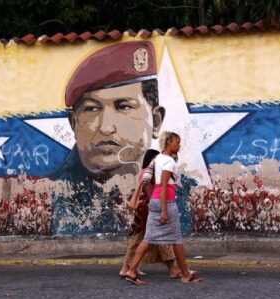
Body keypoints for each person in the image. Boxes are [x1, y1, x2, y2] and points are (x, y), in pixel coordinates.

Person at [49, 41, 166, 235]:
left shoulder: (181, 190)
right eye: (92, 109)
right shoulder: (52, 194)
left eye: (124, 106)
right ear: (73, 123)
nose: (106, 127)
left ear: (156, 121)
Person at [124, 131, 202, 285]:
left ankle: (131, 271)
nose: (179, 145)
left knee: (147, 239)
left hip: (154, 202)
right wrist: (165, 210)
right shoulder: (168, 162)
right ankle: (185, 275)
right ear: (169, 143)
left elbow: (147, 178)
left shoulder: (157, 159)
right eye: (177, 142)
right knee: (177, 239)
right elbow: (164, 185)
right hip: (165, 202)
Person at [119, 149, 182, 279]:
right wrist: (162, 208)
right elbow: (151, 194)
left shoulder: (148, 172)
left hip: (146, 211)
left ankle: (129, 268)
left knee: (142, 239)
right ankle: (173, 269)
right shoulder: (148, 174)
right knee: (155, 239)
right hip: (148, 211)